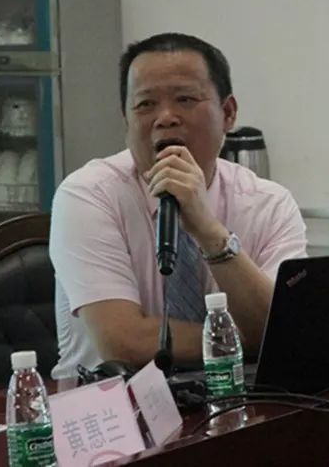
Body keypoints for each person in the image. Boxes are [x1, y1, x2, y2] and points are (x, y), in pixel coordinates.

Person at [49, 33, 307, 379]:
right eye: (145, 104)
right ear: (126, 120)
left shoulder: (269, 203)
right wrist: (241, 338)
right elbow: (123, 342)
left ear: (228, 113)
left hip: (239, 399)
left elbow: (281, 330)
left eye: (185, 99)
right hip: (112, 405)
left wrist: (209, 233)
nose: (166, 118)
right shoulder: (88, 196)